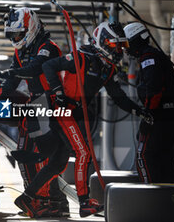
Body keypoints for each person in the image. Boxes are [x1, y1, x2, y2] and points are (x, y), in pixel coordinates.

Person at [40, 21, 153, 217]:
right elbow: (48, 65)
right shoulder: (82, 57)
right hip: (63, 111)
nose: (118, 50)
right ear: (103, 42)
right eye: (114, 45)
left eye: (121, 46)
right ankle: (82, 202)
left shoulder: (108, 69)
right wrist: (57, 91)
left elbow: (119, 97)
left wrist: (138, 110)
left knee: (62, 159)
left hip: (77, 116)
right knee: (82, 154)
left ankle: (48, 197)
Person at [0, 7, 70, 217]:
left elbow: (35, 69)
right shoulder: (21, 51)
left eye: (18, 34)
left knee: (41, 157)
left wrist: (10, 73)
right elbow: (12, 81)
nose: (15, 38)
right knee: (30, 156)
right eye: (12, 35)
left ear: (30, 28)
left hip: (52, 106)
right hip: (35, 105)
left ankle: (47, 201)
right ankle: (46, 201)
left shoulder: (48, 47)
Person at [123, 22, 174, 183]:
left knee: (144, 156)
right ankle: (168, 200)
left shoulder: (149, 58)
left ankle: (149, 197)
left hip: (160, 115)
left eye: (127, 43)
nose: (126, 48)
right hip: (169, 115)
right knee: (164, 159)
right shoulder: (152, 56)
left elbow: (153, 89)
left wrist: (148, 116)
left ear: (137, 40)